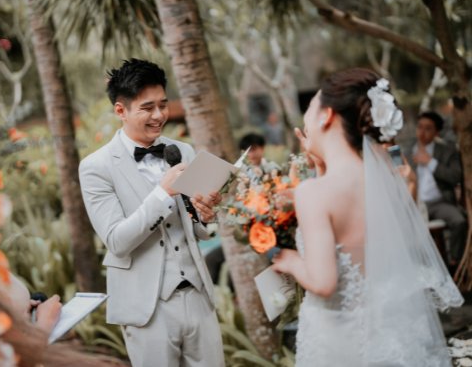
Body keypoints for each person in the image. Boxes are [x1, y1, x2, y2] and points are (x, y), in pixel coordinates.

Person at [271, 68, 461, 366]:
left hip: (339, 344)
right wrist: (321, 168)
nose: (305, 118)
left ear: (326, 116)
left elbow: (323, 282)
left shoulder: (313, 193)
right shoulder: (383, 181)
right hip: (385, 333)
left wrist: (288, 260)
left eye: (309, 108)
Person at [79, 58, 225, 367]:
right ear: (121, 110)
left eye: (163, 104)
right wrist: (162, 193)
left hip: (198, 296)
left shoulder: (182, 151)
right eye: (147, 108)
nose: (159, 115)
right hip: (147, 308)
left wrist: (206, 215)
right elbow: (116, 240)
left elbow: (196, 228)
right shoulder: (96, 167)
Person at [406, 110, 467, 269]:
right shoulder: (408, 150)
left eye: (428, 128)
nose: (422, 132)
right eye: (420, 127)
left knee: (459, 220)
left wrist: (430, 162)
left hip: (439, 203)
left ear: (437, 132)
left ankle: (455, 263)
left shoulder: (447, 151)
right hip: (414, 203)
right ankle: (418, 267)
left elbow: (455, 177)